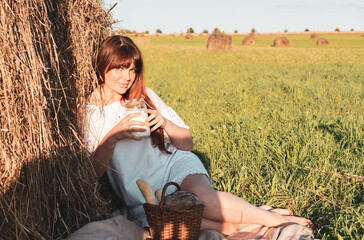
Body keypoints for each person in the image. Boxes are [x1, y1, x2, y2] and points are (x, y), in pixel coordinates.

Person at [84, 35, 313, 236]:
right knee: (183, 222)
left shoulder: (145, 96)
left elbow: (188, 144)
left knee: (202, 197)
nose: (127, 77)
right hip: (144, 194)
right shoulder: (92, 114)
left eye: (133, 69)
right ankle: (252, 217)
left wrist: (165, 123)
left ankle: (274, 220)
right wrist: (114, 134)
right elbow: (90, 174)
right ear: (103, 65)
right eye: (119, 68)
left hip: (174, 165)